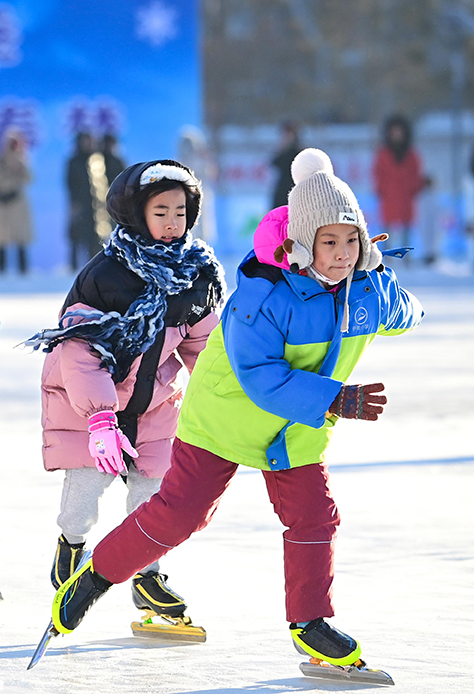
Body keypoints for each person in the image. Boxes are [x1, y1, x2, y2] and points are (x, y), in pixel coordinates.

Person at [49, 149, 423, 673]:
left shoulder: (360, 287)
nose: (342, 255)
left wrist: (380, 276)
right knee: (181, 515)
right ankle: (95, 576)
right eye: (329, 242)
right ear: (300, 244)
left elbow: (406, 315)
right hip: (225, 416)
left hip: (294, 428)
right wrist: (334, 399)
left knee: (315, 516)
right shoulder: (264, 294)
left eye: (351, 241)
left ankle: (310, 625)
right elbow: (260, 375)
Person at [25, 160, 224, 638]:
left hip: (156, 407)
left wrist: (220, 396)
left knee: (153, 499)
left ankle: (147, 578)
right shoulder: (107, 277)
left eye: (181, 210)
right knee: (84, 501)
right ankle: (72, 547)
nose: (173, 222)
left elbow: (202, 346)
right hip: (90, 407)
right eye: (161, 212)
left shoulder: (195, 275)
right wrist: (100, 419)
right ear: (136, 214)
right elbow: (79, 351)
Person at [372, 114, 426, 261]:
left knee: (406, 229)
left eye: (399, 131)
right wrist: (382, 190)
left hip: (405, 197)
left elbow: (416, 174)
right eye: (394, 131)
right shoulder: (383, 153)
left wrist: (414, 189)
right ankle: (387, 257)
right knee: (387, 229)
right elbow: (378, 174)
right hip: (389, 197)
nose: (396, 135)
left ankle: (406, 257)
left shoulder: (411, 154)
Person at [0, 128, 34, 275]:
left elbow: (29, 178)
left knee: (20, 236)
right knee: (1, 238)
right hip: (3, 202)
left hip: (18, 202)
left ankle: (23, 270)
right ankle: (0, 271)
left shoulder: (22, 159)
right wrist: (10, 182)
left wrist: (20, 166)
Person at [65, 132, 101, 271]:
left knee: (94, 237)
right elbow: (69, 183)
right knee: (76, 237)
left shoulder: (97, 160)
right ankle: (73, 268)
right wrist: (74, 203)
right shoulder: (74, 161)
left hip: (95, 206)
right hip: (79, 204)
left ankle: (94, 268)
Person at [270, 121, 302, 209]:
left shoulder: (300, 152)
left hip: (296, 190)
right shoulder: (282, 151)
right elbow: (274, 163)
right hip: (281, 190)